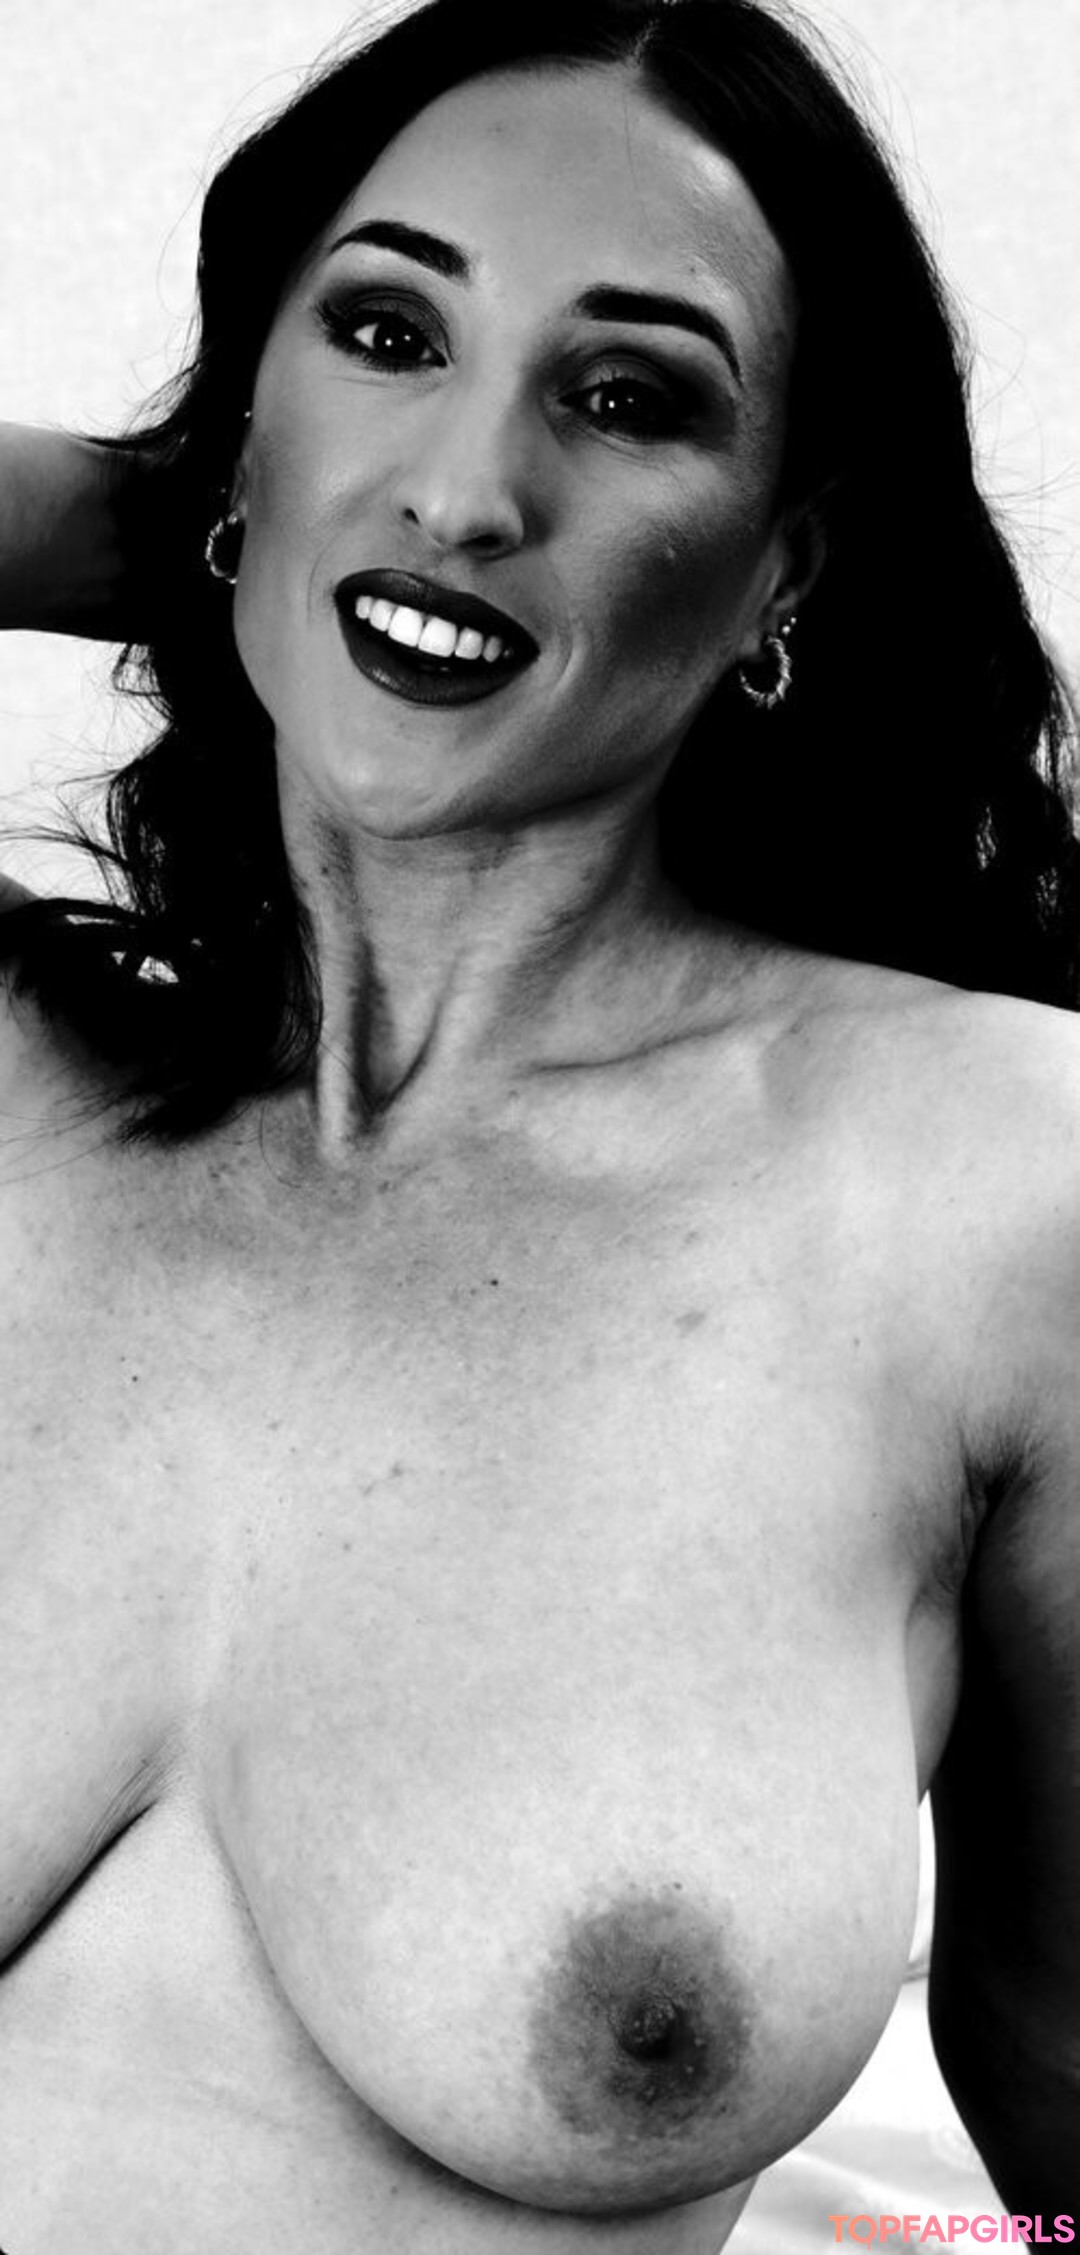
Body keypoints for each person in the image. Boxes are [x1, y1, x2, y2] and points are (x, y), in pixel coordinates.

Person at [1, 1, 1078, 2248]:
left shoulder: (983, 1184)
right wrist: (197, 517)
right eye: (388, 334)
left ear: (787, 562)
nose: (472, 485)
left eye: (627, 396)